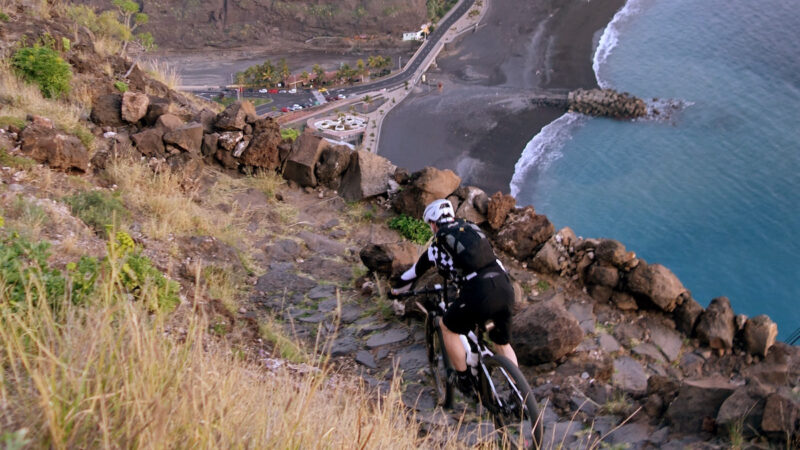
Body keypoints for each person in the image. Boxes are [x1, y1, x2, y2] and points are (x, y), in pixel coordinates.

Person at [391, 199, 519, 395]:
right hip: (504, 287)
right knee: (501, 342)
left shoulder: (438, 245)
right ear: (452, 216)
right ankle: (519, 394)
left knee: (447, 327)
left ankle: (464, 379)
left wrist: (396, 291)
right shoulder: (473, 230)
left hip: (478, 291)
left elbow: (412, 274)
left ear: (433, 224)